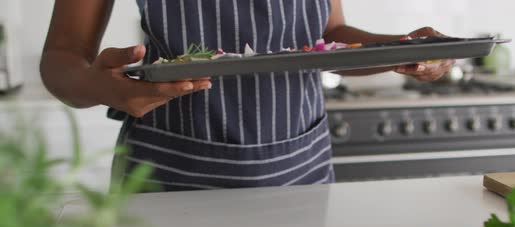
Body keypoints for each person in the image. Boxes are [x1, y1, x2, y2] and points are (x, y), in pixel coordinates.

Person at [41, 0, 455, 192]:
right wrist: (102, 87)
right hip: (170, 176)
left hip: (299, 172)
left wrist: (402, 49)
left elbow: (325, 36)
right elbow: (60, 59)